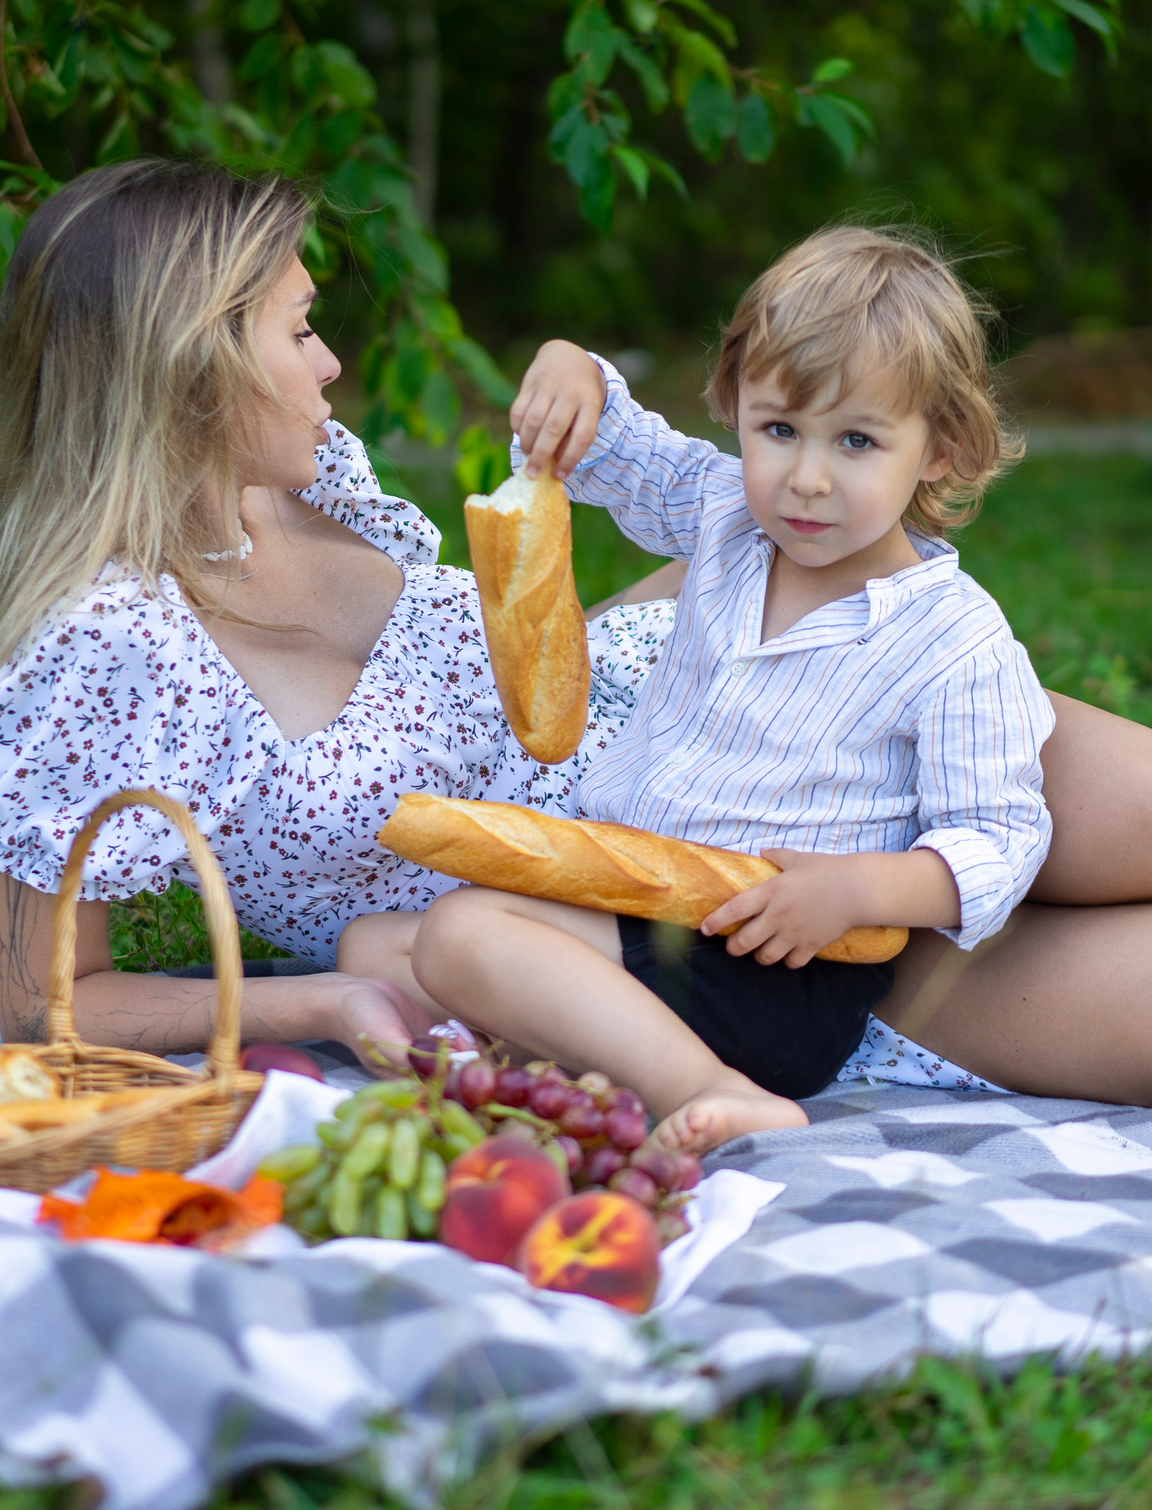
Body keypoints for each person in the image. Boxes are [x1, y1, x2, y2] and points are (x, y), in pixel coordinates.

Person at [0, 159, 1152, 1119]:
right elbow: (43, 999)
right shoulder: (100, 655)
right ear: (190, 368)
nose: (330, 364)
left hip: (684, 721)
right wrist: (330, 993)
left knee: (1048, 756)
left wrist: (616, 442)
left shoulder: (310, 477)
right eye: (297, 331)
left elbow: (561, 583)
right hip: (619, 928)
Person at [338, 228, 1055, 1151]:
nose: (806, 478)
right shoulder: (727, 522)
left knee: (461, 935)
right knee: (371, 947)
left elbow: (1000, 838)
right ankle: (577, 1063)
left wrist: (857, 889)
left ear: (940, 450)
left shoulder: (952, 636)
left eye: (857, 441)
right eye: (779, 429)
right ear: (738, 411)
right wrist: (569, 368)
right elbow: (624, 451)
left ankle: (707, 1088)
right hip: (643, 909)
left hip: (775, 967)